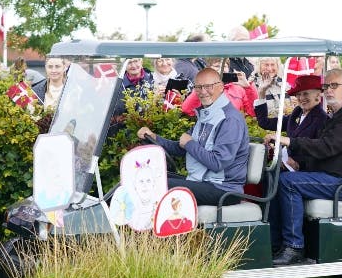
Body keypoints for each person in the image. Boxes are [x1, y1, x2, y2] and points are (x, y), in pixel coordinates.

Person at [266, 69, 342, 266]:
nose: (329, 90)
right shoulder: (338, 115)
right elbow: (326, 152)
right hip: (332, 176)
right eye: (326, 86)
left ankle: (294, 246)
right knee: (275, 176)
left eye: (334, 86)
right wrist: (299, 163)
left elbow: (326, 147)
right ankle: (275, 242)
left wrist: (290, 142)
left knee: (288, 183)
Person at [137, 67, 250, 206]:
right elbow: (181, 147)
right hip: (203, 182)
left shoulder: (230, 120)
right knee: (147, 177)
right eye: (198, 87)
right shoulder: (208, 115)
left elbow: (218, 163)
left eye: (208, 86)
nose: (203, 92)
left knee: (158, 185)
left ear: (221, 87)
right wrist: (154, 138)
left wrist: (190, 144)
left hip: (224, 190)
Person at [255, 74, 328, 171]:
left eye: (305, 94)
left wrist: (299, 165)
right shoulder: (296, 114)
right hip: (283, 163)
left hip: (302, 173)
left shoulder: (322, 119)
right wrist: (261, 92)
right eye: (298, 94)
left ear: (318, 96)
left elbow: (319, 150)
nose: (301, 98)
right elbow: (264, 122)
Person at [181, 57, 257, 117]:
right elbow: (187, 110)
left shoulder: (238, 88)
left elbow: (254, 112)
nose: (221, 69)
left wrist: (248, 87)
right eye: (217, 66)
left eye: (225, 66)